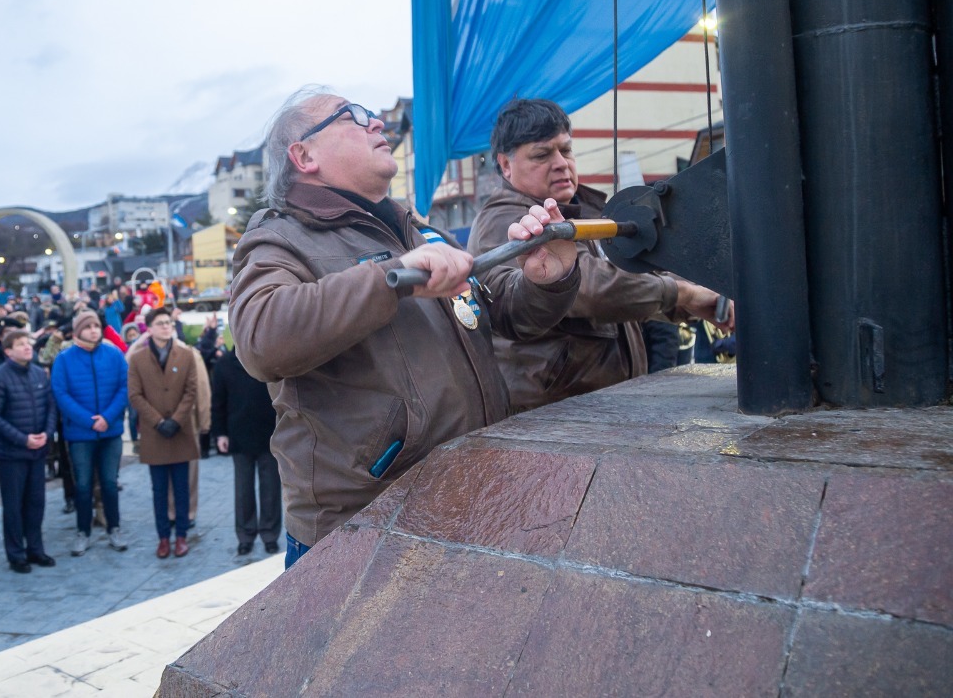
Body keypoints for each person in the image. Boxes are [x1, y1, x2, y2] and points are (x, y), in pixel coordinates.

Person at [230, 88, 580, 568]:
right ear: (304, 156)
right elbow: (260, 339)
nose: (377, 124)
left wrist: (547, 279)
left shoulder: (417, 229)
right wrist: (392, 277)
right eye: (352, 117)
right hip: (364, 529)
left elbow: (505, 316)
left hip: (470, 494)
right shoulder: (280, 238)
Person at [467, 97, 733, 411]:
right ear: (505, 165)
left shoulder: (584, 212)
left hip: (597, 404)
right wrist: (684, 294)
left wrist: (697, 294)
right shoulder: (507, 218)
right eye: (541, 154)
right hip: (551, 416)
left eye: (566, 150)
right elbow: (591, 287)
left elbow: (631, 276)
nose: (561, 163)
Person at [51, 310, 129, 557]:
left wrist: (107, 417)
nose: (94, 330)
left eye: (96, 325)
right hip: (80, 434)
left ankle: (114, 528)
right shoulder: (64, 359)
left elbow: (125, 387)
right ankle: (82, 531)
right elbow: (61, 394)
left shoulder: (114, 354)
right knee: (83, 485)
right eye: (88, 326)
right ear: (78, 331)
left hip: (110, 431)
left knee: (109, 483)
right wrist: (88, 420)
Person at [0, 329, 57, 572]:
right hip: (11, 453)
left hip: (37, 450)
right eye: (20, 344)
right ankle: (16, 554)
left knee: (36, 503)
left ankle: (35, 548)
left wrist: (47, 433)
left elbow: (50, 406)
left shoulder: (38, 373)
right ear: (8, 351)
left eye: (28, 343)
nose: (27, 347)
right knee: (13, 506)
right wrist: (22, 439)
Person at [127, 306, 199, 559]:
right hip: (154, 433)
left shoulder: (186, 355)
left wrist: (176, 420)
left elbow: (191, 391)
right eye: (160, 323)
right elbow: (135, 395)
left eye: (168, 322)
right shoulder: (138, 359)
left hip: (180, 432)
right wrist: (158, 422)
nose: (166, 326)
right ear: (149, 329)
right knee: (159, 490)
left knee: (181, 488)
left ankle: (181, 536)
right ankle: (163, 538)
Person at [211, 346, 281, 556]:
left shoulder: (269, 357)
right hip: (239, 435)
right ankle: (245, 535)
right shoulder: (224, 364)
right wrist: (220, 433)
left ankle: (270, 534)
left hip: (269, 434)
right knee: (243, 490)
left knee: (271, 488)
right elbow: (218, 402)